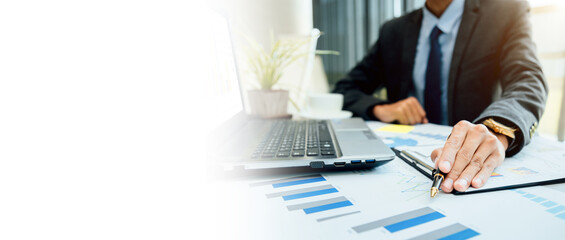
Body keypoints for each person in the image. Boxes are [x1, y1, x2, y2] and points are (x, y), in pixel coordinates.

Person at [333, 0, 547, 193]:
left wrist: (495, 128)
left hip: (471, 161)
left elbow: (528, 81)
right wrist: (381, 108)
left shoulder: (505, 11)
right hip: (407, 162)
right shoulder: (393, 30)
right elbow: (345, 89)